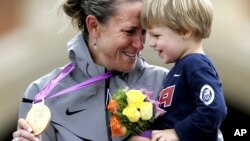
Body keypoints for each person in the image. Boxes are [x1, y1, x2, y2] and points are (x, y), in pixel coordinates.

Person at [12, 0, 169, 141]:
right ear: (93, 26)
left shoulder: (164, 82)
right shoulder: (41, 94)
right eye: (129, 31)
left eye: (143, 32)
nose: (140, 45)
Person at [139, 0, 227, 141]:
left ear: (185, 31)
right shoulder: (182, 66)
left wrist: (178, 133)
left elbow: (214, 109)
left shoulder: (196, 65)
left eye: (156, 35)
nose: (151, 43)